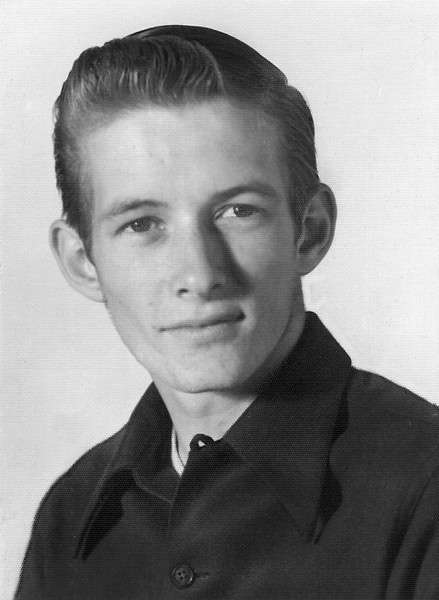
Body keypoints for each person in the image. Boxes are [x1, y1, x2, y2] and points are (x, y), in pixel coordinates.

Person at [15, 25, 439, 600]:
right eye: (142, 224)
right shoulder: (69, 518)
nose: (199, 274)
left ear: (310, 231)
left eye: (238, 211)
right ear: (83, 261)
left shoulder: (425, 486)